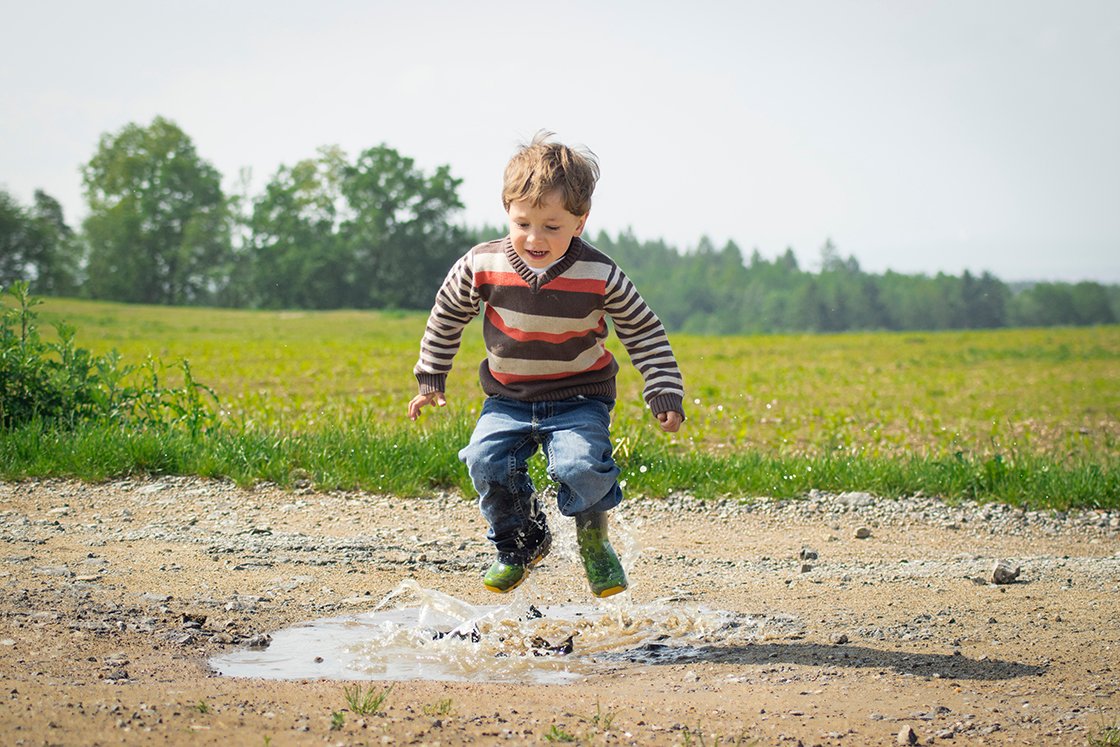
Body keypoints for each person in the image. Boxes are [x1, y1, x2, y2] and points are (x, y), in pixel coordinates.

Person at [408, 131, 685, 598]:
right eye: (523, 223)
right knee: (484, 460)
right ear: (507, 212)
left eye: (552, 227)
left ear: (580, 221)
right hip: (507, 398)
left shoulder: (601, 274)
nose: (535, 238)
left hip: (580, 397)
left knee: (579, 467)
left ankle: (594, 538)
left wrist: (663, 390)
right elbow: (447, 314)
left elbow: (643, 331)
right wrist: (431, 375)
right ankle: (522, 543)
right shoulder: (482, 263)